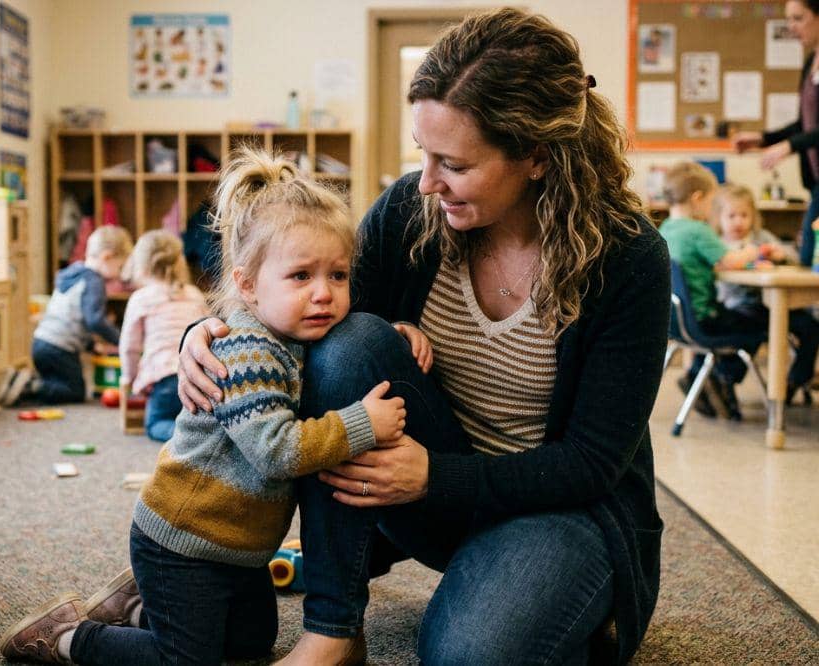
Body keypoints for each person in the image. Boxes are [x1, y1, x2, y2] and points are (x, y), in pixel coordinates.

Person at [179, 8, 670, 664]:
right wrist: (208, 330)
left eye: (454, 163)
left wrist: (436, 477)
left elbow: (591, 463)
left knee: (468, 655)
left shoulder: (628, 256)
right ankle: (333, 631)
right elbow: (301, 313)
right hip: (423, 488)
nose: (428, 181)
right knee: (349, 343)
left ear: (537, 156)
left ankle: (563, 605)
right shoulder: (413, 211)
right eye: (423, 154)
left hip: (561, 507)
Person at [0, 148, 408, 666]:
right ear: (247, 285)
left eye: (338, 276)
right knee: (186, 661)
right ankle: (66, 637)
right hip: (184, 544)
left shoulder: (295, 339)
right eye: (301, 276)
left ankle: (140, 612)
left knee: (249, 647)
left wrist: (392, 336)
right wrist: (360, 424)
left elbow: (334, 361)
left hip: (239, 550)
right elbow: (277, 452)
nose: (324, 294)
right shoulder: (249, 352)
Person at [658, 162, 765, 420]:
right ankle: (722, 377)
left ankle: (703, 376)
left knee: (740, 319)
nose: (711, 210)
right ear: (697, 199)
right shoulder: (698, 230)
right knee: (761, 322)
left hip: (674, 322)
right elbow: (730, 261)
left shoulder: (664, 229)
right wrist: (754, 251)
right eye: (711, 202)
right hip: (705, 318)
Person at [711, 184, 819, 404]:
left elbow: (789, 257)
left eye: (744, 215)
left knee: (811, 326)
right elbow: (718, 266)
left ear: (754, 216)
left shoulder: (761, 236)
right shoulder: (717, 243)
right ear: (719, 218)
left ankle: (795, 380)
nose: (738, 222)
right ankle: (724, 380)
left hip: (774, 304)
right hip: (737, 305)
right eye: (731, 216)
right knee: (752, 328)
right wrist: (744, 258)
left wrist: (780, 256)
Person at [1, 225, 133, 406]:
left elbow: (73, 321)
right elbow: (94, 321)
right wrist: (122, 339)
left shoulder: (75, 273)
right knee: (76, 390)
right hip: (59, 350)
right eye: (120, 267)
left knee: (62, 381)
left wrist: (91, 345)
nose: (120, 275)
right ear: (107, 257)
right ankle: (30, 385)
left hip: (41, 343)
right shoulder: (94, 281)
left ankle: (28, 383)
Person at [732, 0, 819, 267]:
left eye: (798, 18)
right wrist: (764, 138)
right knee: (807, 259)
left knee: (807, 260)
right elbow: (805, 124)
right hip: (816, 182)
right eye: (789, 19)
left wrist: (789, 146)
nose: (791, 27)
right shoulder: (810, 63)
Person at [118, 230, 210, 441]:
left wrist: (130, 378)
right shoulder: (194, 294)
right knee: (193, 412)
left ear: (141, 265)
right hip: (198, 376)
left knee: (155, 423)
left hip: (165, 378)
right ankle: (201, 429)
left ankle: (183, 436)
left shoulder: (141, 299)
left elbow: (129, 347)